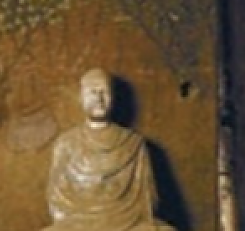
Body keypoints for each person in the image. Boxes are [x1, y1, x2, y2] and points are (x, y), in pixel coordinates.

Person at [43, 69, 174, 231]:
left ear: (113, 97)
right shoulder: (66, 143)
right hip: (78, 223)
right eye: (92, 92)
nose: (99, 99)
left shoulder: (133, 143)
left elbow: (148, 199)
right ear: (81, 98)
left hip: (128, 221)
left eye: (104, 92)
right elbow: (56, 197)